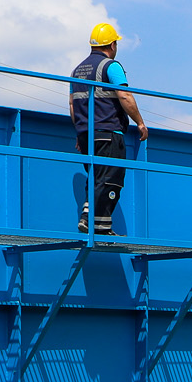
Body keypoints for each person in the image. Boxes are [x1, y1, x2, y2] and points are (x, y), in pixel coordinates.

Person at [68, 21, 150, 234]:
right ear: (112, 45)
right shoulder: (111, 66)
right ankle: (98, 225)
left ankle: (91, 219)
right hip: (108, 132)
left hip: (86, 135)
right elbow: (124, 95)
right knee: (111, 179)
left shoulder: (77, 71)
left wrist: (80, 131)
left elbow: (72, 104)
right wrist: (140, 122)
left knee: (96, 178)